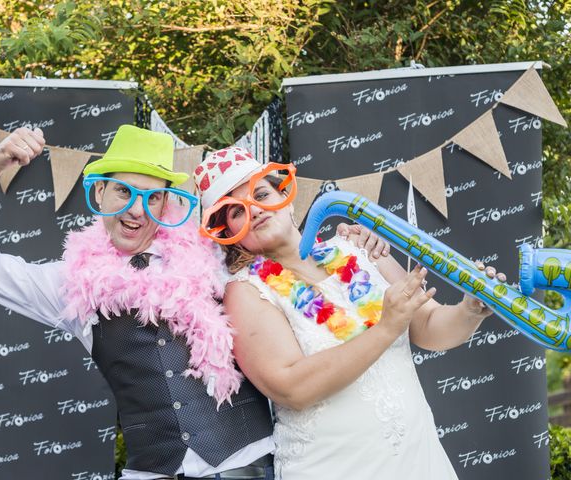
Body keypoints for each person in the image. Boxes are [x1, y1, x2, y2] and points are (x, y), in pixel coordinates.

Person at [0, 124, 386, 480]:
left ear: (168, 202)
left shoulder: (212, 255)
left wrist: (352, 245)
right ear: (99, 193)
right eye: (123, 192)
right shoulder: (68, 283)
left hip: (251, 465)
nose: (137, 210)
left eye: (152, 196)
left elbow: (286, 258)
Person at [192, 147, 507, 480]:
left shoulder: (359, 248)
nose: (255, 210)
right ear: (228, 234)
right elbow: (291, 388)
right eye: (237, 211)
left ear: (285, 196)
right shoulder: (246, 291)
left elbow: (430, 326)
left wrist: (471, 308)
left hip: (419, 459)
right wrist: (385, 328)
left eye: (261, 194)